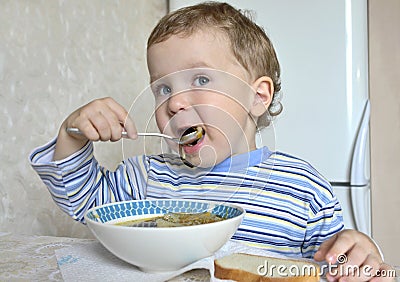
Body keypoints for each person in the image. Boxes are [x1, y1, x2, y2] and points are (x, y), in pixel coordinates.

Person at [30, 2, 392, 281]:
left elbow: (332, 266)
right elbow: (81, 200)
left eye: (201, 80)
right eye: (163, 88)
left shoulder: (303, 190)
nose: (174, 102)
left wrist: (359, 252)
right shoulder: (144, 178)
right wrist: (72, 135)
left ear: (257, 96)